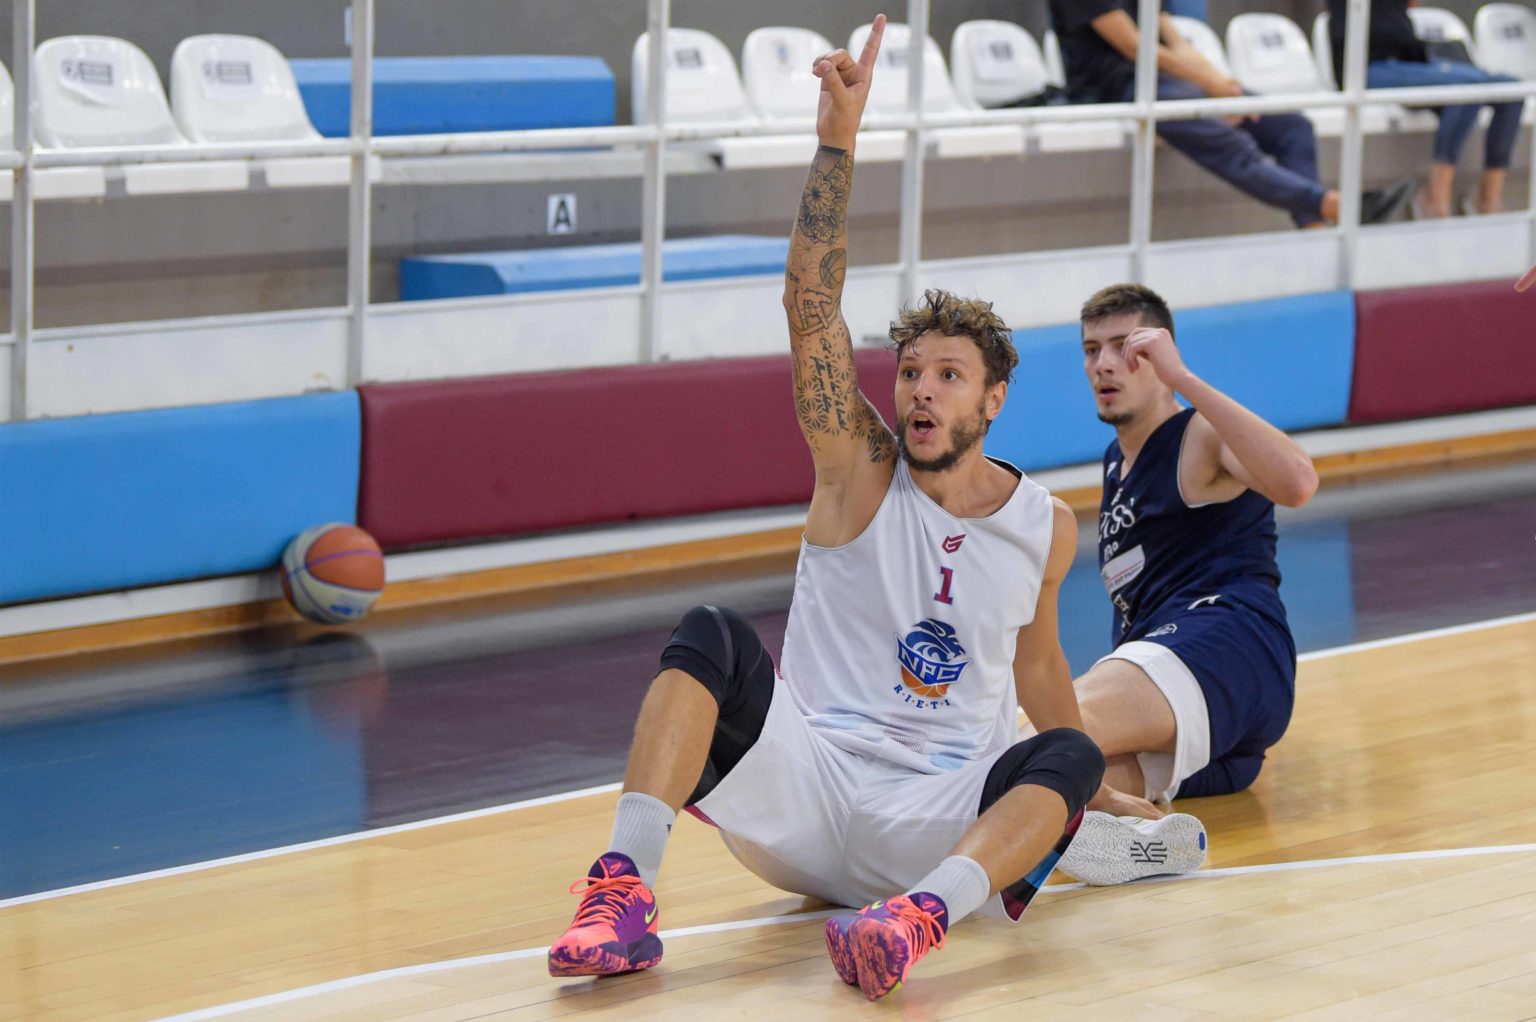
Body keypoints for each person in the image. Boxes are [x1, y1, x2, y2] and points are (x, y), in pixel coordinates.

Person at [546, 15, 1172, 1002]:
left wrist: (1091, 788)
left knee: (1064, 749)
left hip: (933, 822)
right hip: (805, 790)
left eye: (949, 375)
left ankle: (911, 925)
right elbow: (810, 308)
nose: (921, 389)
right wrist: (837, 144)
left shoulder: (1045, 525)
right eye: (911, 371)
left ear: (993, 399)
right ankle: (620, 894)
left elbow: (1042, 672)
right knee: (709, 633)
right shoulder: (859, 467)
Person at [1048, 285, 1316, 869]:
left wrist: (1184, 379)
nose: (1104, 364)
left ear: (1161, 353)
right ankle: (1153, 845)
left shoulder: (1200, 434)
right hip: (1219, 727)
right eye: (1092, 349)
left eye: (1125, 347)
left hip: (1225, 643)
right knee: (1049, 791)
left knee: (1045, 736)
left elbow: (1298, 482)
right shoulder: (1116, 462)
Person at [1049, 0, 1414, 228]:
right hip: (1122, 89)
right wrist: (1208, 82)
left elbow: (1176, 43)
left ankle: (1314, 231)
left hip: (1171, 82)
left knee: (1292, 125)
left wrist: (1222, 84)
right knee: (1233, 144)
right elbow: (1134, 47)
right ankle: (1341, 207)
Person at [1328, 0, 1524, 218]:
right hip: (1367, 67)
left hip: (1410, 61)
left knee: (1511, 89)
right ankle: (1435, 197)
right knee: (1465, 89)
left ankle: (1487, 198)